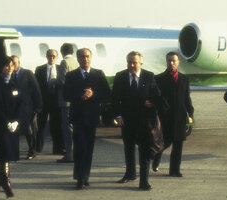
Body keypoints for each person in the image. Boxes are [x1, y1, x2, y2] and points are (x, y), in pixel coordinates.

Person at [112, 51, 161, 191]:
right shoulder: (120, 76)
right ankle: (130, 174)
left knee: (145, 151)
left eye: (134, 62)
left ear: (141, 63)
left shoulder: (149, 76)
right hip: (127, 121)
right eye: (129, 62)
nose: (132, 65)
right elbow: (114, 98)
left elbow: (157, 95)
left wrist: (152, 103)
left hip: (145, 122)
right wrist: (118, 115)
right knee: (128, 148)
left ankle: (144, 181)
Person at [63, 48, 110, 189]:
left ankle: (86, 176)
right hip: (77, 117)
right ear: (78, 59)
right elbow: (66, 95)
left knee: (89, 148)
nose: (85, 59)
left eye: (87, 56)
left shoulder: (98, 74)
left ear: (91, 57)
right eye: (82, 57)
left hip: (92, 116)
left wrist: (93, 94)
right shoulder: (71, 75)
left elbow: (107, 93)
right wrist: (80, 95)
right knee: (79, 147)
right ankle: (79, 176)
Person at [151, 52, 194, 177]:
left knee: (178, 144)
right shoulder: (159, 78)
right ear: (166, 61)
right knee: (164, 142)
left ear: (178, 62)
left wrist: (190, 114)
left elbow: (187, 98)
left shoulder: (184, 79)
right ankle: (156, 158)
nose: (171, 63)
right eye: (169, 60)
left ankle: (174, 170)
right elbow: (156, 97)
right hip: (165, 116)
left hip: (180, 117)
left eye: (174, 60)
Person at [0, 56, 23, 197]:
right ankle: (6, 182)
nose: (9, 68)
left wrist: (17, 121)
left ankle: (1, 180)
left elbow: (21, 104)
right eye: (6, 66)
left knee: (6, 155)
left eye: (11, 65)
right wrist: (6, 122)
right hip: (0, 125)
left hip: (13, 126)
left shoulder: (15, 83)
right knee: (4, 153)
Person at [11, 56, 42, 160]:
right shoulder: (8, 74)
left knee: (29, 130)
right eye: (11, 64)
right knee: (13, 130)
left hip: (26, 106)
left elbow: (36, 89)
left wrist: (38, 105)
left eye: (14, 63)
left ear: (19, 63)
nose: (12, 66)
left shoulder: (27, 73)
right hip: (13, 107)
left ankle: (32, 151)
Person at [34, 49, 63, 154]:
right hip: (43, 102)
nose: (51, 57)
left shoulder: (60, 68)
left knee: (55, 126)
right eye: (50, 56)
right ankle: (38, 147)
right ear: (46, 56)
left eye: (53, 56)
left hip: (56, 102)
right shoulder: (39, 69)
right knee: (40, 126)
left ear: (57, 57)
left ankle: (57, 148)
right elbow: (36, 87)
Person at [56, 43, 79, 163]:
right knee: (74, 127)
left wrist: (53, 81)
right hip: (75, 99)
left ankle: (70, 154)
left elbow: (62, 81)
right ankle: (75, 152)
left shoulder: (64, 62)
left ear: (62, 52)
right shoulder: (76, 61)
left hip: (66, 101)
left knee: (67, 128)